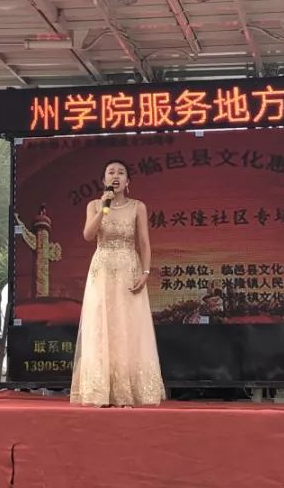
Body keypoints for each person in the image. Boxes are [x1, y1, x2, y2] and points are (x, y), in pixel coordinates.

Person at [70, 159, 164, 407]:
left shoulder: (138, 207)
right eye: (111, 172)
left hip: (128, 270)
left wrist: (145, 272)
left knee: (128, 326)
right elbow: (88, 235)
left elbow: (144, 242)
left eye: (121, 172)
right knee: (101, 326)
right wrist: (104, 207)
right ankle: (99, 391)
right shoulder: (95, 205)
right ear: (104, 180)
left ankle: (127, 392)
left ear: (128, 181)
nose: (116, 176)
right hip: (101, 271)